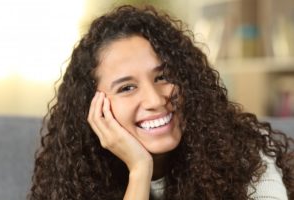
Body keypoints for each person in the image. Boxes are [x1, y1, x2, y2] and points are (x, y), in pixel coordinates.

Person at [29, 5, 294, 200]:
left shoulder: (243, 147)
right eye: (127, 87)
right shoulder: (75, 179)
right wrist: (140, 170)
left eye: (163, 76)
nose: (155, 100)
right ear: (95, 109)